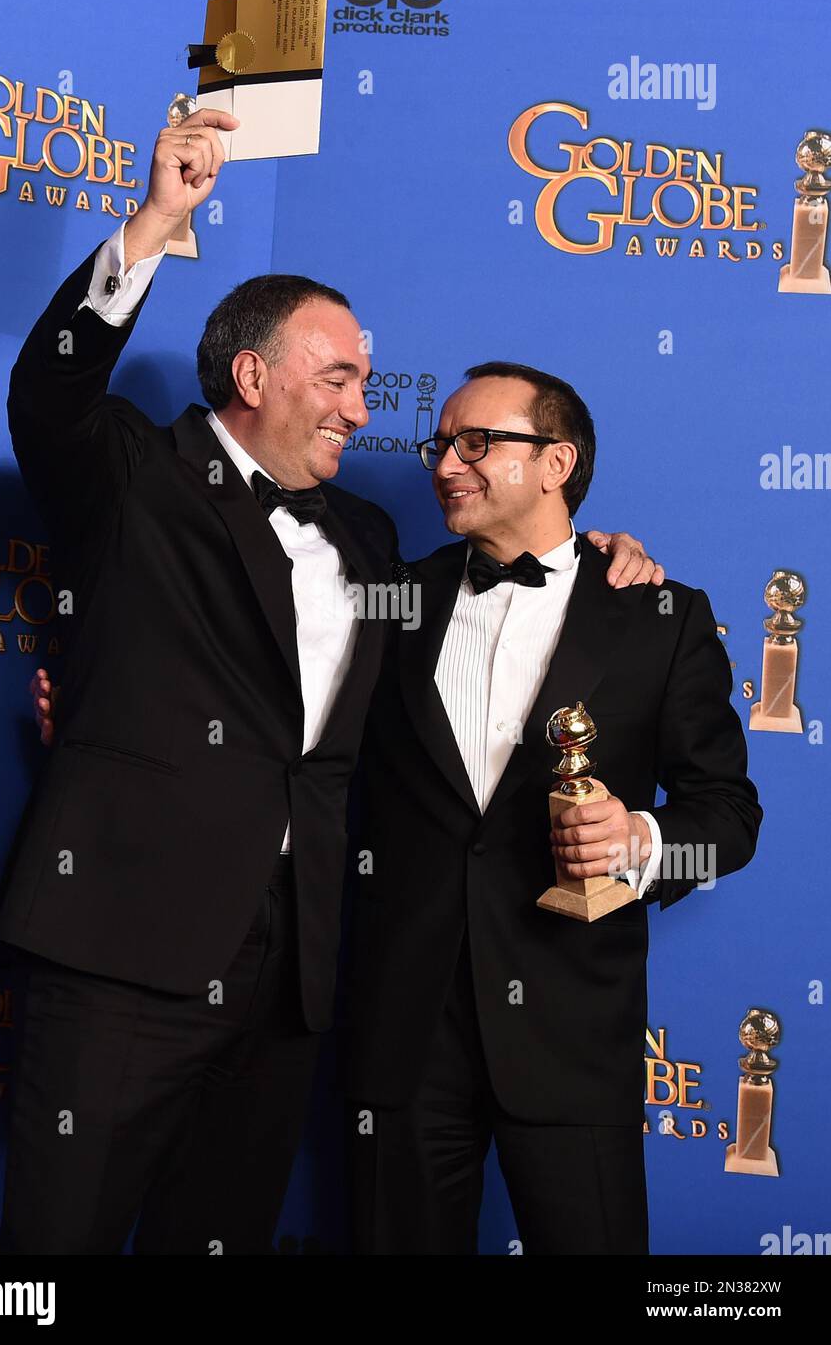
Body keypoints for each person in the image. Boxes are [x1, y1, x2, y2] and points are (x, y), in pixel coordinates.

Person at [0, 109, 660, 1255]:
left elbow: (478, 638)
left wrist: (599, 563)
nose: (366, 407)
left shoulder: (362, 537)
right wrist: (157, 222)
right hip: (124, 950)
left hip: (294, 979)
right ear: (254, 374)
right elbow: (47, 398)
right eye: (342, 377)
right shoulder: (135, 473)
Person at [345, 362, 762, 1255]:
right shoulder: (390, 601)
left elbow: (728, 823)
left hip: (572, 1033)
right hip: (403, 1033)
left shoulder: (660, 615)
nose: (445, 463)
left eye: (476, 442)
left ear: (555, 462)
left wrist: (636, 841)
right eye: (440, 444)